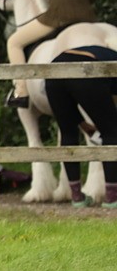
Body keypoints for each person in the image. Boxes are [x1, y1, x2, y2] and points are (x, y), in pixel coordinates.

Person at [44, 45, 117, 207]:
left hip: (54, 69)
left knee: (67, 132)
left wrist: (83, 124)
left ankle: (77, 196)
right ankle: (112, 196)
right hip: (86, 69)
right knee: (112, 132)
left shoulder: (106, 54)